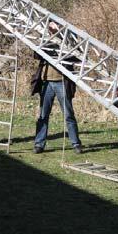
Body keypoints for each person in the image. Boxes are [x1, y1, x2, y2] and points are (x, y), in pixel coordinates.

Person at [31, 22, 82, 154]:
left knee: (69, 115)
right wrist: (46, 37)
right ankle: (39, 144)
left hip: (62, 82)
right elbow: (36, 55)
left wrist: (61, 35)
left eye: (54, 27)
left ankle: (76, 144)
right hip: (47, 83)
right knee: (43, 115)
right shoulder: (46, 40)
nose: (52, 29)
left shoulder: (68, 41)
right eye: (50, 27)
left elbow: (78, 56)